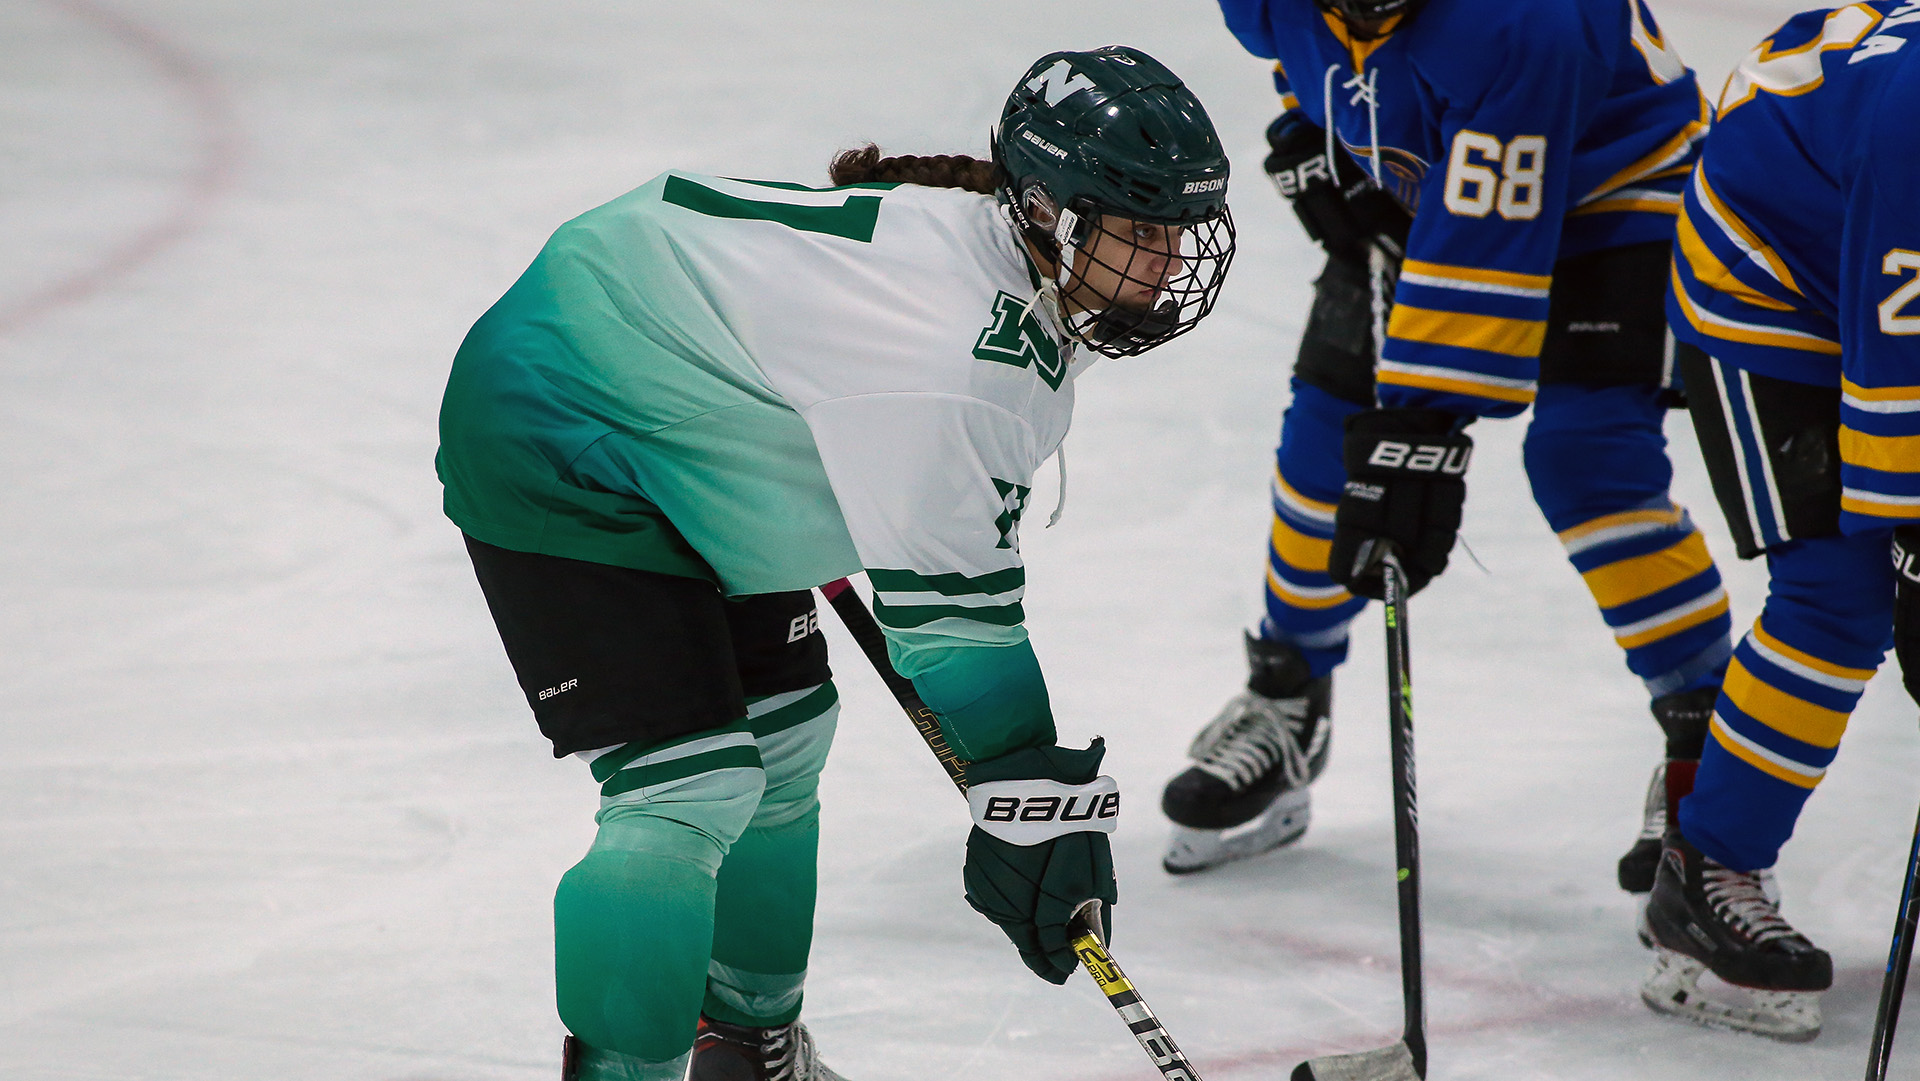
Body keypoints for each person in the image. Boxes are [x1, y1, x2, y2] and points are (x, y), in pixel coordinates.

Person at [435, 46, 1236, 1081]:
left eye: (1181, 230)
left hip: (703, 411)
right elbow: (951, 631)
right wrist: (1026, 790)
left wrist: (1023, 788)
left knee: (785, 741)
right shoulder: (961, 364)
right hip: (561, 422)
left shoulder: (1005, 270)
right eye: (1143, 232)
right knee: (686, 787)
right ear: (1046, 213)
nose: (1170, 263)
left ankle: (749, 1054)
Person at [1158, 0, 1736, 889]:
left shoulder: (1528, 21)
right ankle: (1287, 698)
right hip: (1431, 168)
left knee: (1590, 461)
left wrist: (1423, 430)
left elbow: (1488, 240)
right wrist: (1308, 130)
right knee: (1328, 432)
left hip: (1619, 189)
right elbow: (1298, 55)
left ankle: (1709, 744)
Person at [1640, 0, 1920, 1041]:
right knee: (1842, 594)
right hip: (1770, 278)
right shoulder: (1916, 121)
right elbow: (1902, 350)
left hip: (1868, 244)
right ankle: (1704, 871)